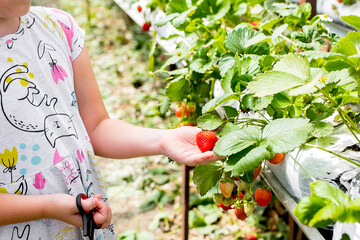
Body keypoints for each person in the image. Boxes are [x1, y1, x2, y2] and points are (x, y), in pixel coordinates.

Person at [0, 1, 221, 239]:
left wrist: (163, 140)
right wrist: (47, 207)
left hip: (82, 222)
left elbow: (95, 126)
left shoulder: (58, 28)